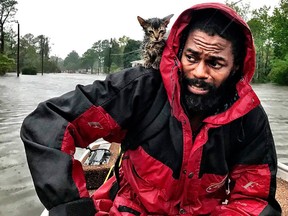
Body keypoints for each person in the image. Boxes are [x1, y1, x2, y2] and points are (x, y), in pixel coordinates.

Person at [20, 2, 282, 216]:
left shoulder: (248, 116)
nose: (199, 72)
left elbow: (254, 199)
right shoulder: (141, 88)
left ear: (235, 67)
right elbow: (50, 123)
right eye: (191, 57)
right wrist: (72, 209)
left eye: (215, 63)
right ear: (179, 52)